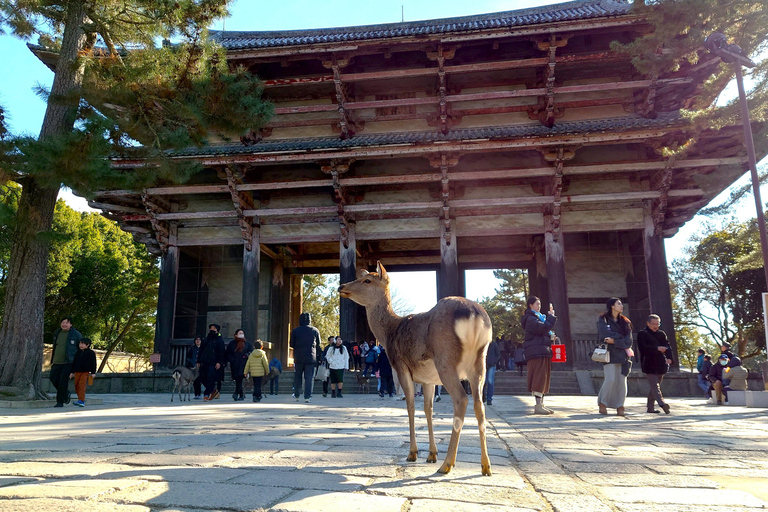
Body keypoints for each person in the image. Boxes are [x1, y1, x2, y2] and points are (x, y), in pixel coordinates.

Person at [597, 298, 634, 417]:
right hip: (609, 354)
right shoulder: (603, 319)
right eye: (619, 303)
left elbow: (628, 341)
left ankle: (620, 405)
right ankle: (603, 402)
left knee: (622, 381)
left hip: (622, 355)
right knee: (610, 379)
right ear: (612, 306)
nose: (621, 306)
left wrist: (615, 340)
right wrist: (619, 337)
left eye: (622, 303)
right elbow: (604, 334)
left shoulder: (626, 322)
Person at [521, 296, 557, 415]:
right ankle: (537, 405)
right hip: (536, 351)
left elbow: (544, 330)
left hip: (542, 350)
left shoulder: (539, 317)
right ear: (530, 305)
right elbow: (542, 328)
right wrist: (551, 318)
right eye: (537, 304)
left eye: (540, 304)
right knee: (538, 377)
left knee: (543, 378)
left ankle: (541, 404)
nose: (539, 306)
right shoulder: (530, 318)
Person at [637, 314, 672, 414]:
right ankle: (662, 403)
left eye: (658, 324)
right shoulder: (642, 334)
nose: (656, 326)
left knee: (655, 387)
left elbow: (668, 346)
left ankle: (650, 408)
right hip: (648, 363)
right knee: (655, 385)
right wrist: (656, 349)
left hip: (661, 363)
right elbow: (642, 348)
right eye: (653, 324)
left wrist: (669, 357)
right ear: (648, 323)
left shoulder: (661, 334)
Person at [50, 317, 83, 408]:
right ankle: (65, 393)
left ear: (71, 324)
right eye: (63, 322)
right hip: (57, 361)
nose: (64, 324)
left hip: (68, 362)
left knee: (62, 382)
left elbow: (81, 347)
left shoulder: (76, 334)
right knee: (53, 378)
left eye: (66, 323)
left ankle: (60, 402)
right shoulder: (57, 332)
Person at [290, 312, 321, 403]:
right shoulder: (315, 330)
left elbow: (292, 344)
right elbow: (318, 344)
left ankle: (296, 395)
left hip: (299, 357)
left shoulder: (295, 331)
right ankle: (307, 396)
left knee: (298, 376)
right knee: (309, 378)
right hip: (311, 358)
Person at [200, 324, 225, 402]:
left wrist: (219, 362)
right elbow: (201, 350)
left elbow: (221, 352)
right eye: (211, 328)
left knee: (210, 378)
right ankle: (213, 391)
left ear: (217, 330)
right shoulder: (206, 339)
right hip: (204, 362)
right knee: (202, 378)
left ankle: (206, 394)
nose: (212, 330)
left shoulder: (219, 340)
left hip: (213, 362)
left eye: (214, 328)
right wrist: (198, 361)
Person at [226, 329, 253, 401]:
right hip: (234, 364)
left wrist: (246, 355)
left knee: (240, 379)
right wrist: (231, 359)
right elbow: (228, 353)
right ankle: (241, 395)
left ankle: (236, 393)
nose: (241, 334)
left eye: (242, 333)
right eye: (239, 333)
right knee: (237, 379)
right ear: (236, 335)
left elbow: (251, 351)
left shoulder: (247, 343)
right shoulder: (232, 343)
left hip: (243, 364)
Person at [69, 337, 96, 407]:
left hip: (85, 372)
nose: (81, 345)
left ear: (87, 345)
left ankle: (81, 400)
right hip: (77, 371)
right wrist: (72, 372)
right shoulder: (78, 353)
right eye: (80, 343)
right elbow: (74, 363)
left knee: (82, 385)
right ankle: (79, 399)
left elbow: (93, 363)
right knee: (76, 385)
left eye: (83, 344)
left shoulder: (91, 353)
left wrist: (93, 372)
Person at [484, 337, 500, 405]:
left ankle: (489, 399)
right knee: (483, 382)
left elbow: (498, 354)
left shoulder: (494, 344)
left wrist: (494, 362)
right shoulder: (482, 343)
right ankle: (483, 396)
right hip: (483, 365)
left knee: (490, 381)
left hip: (491, 365)